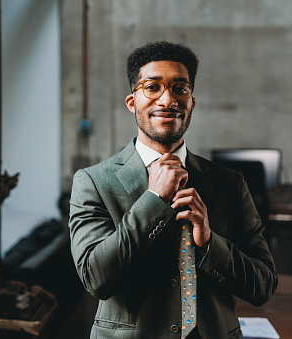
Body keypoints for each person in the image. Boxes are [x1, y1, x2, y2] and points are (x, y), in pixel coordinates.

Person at [69, 41, 277, 339]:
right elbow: (96, 278)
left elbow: (263, 286)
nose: (168, 100)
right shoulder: (93, 182)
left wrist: (208, 241)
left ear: (192, 101)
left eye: (180, 88)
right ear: (132, 102)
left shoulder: (230, 182)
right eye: (152, 87)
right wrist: (153, 201)